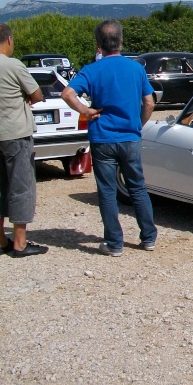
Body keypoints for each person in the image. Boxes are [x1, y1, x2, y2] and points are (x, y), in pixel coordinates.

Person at [62, 20, 157, 257]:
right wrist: (137, 124)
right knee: (137, 187)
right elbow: (149, 102)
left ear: (99, 46)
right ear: (121, 41)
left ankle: (114, 243)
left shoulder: (91, 70)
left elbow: (68, 93)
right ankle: (148, 238)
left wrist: (85, 111)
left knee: (106, 190)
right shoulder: (136, 69)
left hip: (102, 137)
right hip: (130, 137)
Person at [0, 23, 46, 257]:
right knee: (21, 186)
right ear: (8, 40)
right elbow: (37, 94)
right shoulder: (13, 65)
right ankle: (20, 243)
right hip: (15, 133)